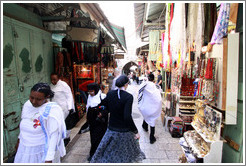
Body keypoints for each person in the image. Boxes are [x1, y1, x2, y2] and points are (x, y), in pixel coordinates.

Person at [90, 75, 146, 163]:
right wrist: (135, 131)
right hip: (125, 132)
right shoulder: (128, 97)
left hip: (112, 130)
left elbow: (104, 107)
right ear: (126, 84)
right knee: (126, 155)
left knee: (110, 153)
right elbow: (127, 117)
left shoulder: (110, 93)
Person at [14, 83, 66, 163]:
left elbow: (54, 136)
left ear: (47, 97)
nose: (34, 101)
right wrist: (19, 141)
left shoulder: (53, 110)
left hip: (40, 151)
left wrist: (49, 158)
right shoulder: (28, 105)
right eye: (31, 97)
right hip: (24, 148)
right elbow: (24, 123)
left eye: (38, 99)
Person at [50, 73, 75, 146]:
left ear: (58, 78)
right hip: (55, 108)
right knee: (58, 124)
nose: (53, 81)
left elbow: (69, 96)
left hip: (64, 108)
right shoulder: (50, 86)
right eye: (51, 80)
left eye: (54, 79)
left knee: (66, 123)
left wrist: (70, 107)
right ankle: (60, 138)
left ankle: (66, 137)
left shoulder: (63, 85)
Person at [85, 83, 108, 161]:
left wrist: (101, 114)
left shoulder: (102, 96)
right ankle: (93, 153)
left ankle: (100, 153)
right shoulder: (89, 96)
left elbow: (107, 108)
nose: (90, 93)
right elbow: (88, 106)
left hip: (100, 121)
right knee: (93, 137)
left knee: (100, 137)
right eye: (89, 91)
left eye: (92, 91)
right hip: (92, 120)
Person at [138, 73, 162, 144]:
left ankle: (144, 126)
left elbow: (139, 90)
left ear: (148, 78)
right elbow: (159, 95)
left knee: (146, 115)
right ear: (153, 79)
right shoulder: (156, 86)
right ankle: (151, 137)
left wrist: (139, 100)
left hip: (146, 105)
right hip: (154, 107)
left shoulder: (145, 84)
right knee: (152, 120)